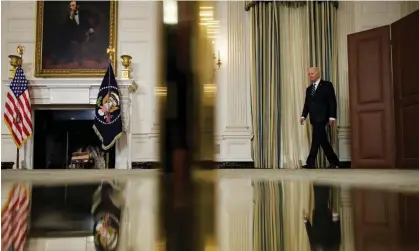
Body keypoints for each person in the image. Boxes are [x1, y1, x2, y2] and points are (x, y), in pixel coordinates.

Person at [300, 67, 340, 169]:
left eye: (312, 73)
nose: (310, 76)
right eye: (309, 74)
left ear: (318, 73)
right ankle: (334, 161)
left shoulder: (327, 85)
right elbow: (307, 104)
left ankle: (310, 162)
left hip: (323, 117)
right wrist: (303, 115)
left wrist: (332, 117)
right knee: (322, 140)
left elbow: (332, 101)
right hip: (314, 118)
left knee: (316, 139)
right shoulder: (309, 89)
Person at [303, 184, 341, 251]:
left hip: (318, 217)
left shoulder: (315, 249)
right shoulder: (333, 249)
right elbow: (337, 237)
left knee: (320, 196)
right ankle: (321, 180)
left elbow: (311, 238)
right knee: (323, 196)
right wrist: (336, 219)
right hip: (327, 218)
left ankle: (319, 181)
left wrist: (307, 222)